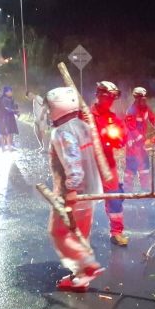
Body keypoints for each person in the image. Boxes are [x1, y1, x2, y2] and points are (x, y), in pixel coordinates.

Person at [45, 86, 105, 291]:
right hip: (90, 192)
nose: (48, 112)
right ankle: (80, 279)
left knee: (59, 232)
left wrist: (72, 189)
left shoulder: (63, 132)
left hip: (72, 194)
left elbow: (72, 162)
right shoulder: (83, 126)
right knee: (80, 235)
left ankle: (87, 265)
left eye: (49, 107)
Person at [91, 81, 129, 246]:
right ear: (99, 96)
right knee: (81, 199)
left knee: (114, 196)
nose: (110, 102)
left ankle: (116, 232)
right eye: (108, 98)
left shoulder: (112, 118)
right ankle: (78, 232)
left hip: (107, 162)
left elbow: (122, 138)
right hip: (88, 164)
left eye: (112, 99)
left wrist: (116, 138)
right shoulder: (85, 116)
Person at [124, 87, 155, 191]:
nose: (144, 100)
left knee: (144, 168)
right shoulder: (131, 111)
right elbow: (132, 130)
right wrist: (145, 141)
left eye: (145, 98)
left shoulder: (146, 109)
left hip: (141, 145)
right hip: (132, 145)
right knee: (131, 170)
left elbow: (153, 118)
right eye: (142, 99)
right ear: (137, 99)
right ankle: (127, 193)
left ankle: (146, 192)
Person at [0, 85, 19, 150]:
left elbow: (12, 106)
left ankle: (5, 147)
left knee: (6, 132)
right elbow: (5, 108)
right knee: (8, 132)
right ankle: (8, 147)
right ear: (6, 92)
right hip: (6, 117)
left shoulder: (7, 98)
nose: (11, 92)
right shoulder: (5, 99)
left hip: (7, 117)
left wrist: (15, 110)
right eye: (10, 91)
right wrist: (14, 111)